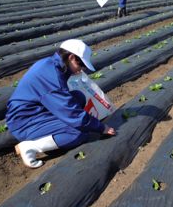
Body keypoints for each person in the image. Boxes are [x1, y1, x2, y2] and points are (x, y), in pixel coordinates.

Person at [6, 39, 116, 168]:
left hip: (35, 110)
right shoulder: (52, 78)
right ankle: (30, 147)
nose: (80, 70)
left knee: (78, 97)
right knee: (78, 133)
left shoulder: (50, 64)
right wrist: (101, 127)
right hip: (24, 121)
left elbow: (66, 104)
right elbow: (73, 114)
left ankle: (55, 129)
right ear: (71, 57)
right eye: (80, 65)